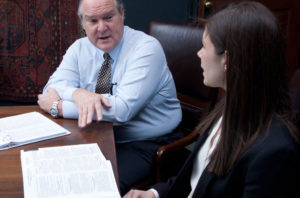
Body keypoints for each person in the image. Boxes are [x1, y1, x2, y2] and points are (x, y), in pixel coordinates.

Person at [124, 1, 300, 198]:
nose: (199, 53)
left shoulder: (274, 153)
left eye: (204, 46)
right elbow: (196, 181)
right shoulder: (228, 104)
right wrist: (154, 194)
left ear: (227, 60)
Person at [37, 0, 182, 194]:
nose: (102, 28)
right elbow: (51, 87)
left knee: (92, 189)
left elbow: (121, 110)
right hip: (96, 135)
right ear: (82, 22)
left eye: (108, 17)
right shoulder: (79, 48)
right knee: (50, 175)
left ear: (122, 13)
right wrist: (78, 93)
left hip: (146, 142)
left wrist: (59, 107)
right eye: (93, 21)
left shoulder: (147, 48)